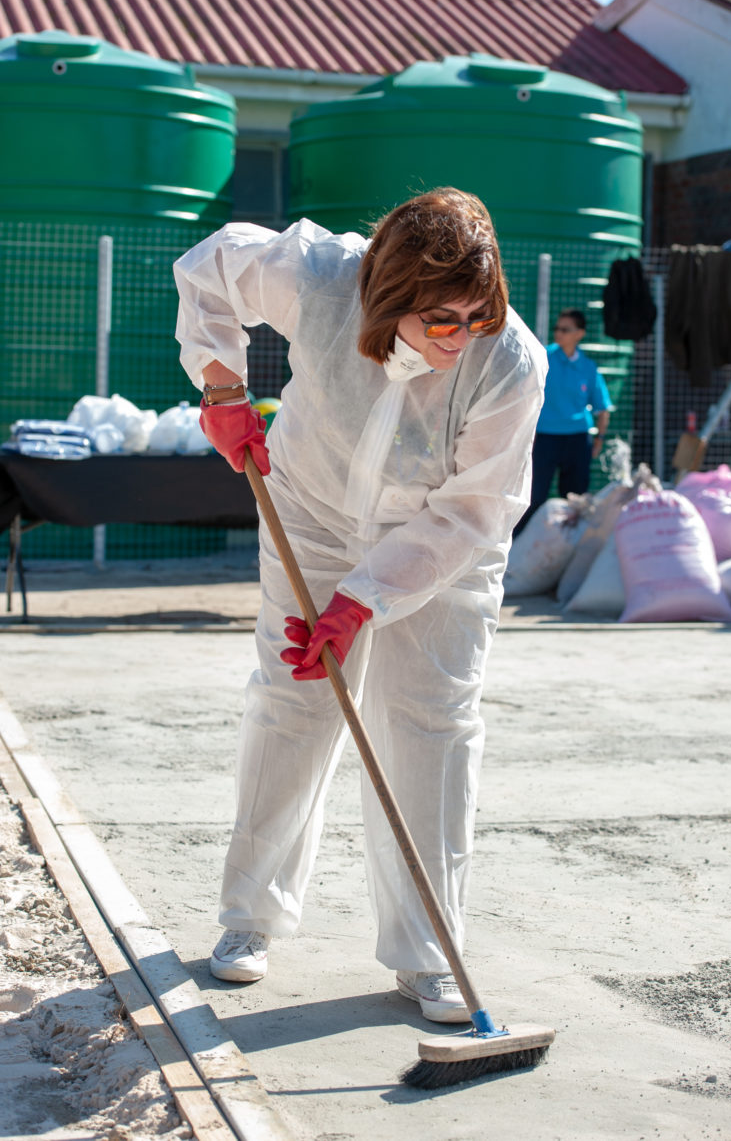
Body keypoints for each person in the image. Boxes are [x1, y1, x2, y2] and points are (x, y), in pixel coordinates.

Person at [173, 187, 546, 1024]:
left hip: (441, 540)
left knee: (430, 724)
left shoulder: (509, 361)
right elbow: (210, 267)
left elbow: (475, 509)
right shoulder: (319, 276)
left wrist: (367, 599)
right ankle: (249, 921)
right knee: (291, 700)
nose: (461, 338)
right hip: (311, 510)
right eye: (440, 320)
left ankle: (428, 951)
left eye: (476, 316)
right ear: (388, 296)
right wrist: (221, 384)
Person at [516, 308, 612, 534]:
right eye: (557, 328)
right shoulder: (543, 358)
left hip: (578, 439)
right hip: (544, 438)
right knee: (533, 496)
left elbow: (603, 408)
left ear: (580, 333)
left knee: (575, 499)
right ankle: (518, 547)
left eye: (565, 329)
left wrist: (599, 438)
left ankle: (568, 548)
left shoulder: (588, 367)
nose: (558, 333)